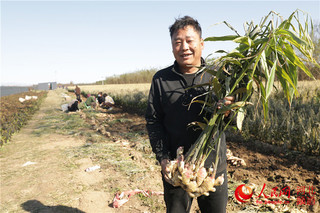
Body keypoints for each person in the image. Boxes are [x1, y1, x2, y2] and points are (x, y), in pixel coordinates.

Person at [145, 16, 234, 213]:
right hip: (176, 169)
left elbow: (232, 122)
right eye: (177, 42)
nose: (184, 47)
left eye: (189, 40)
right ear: (172, 47)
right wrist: (163, 158)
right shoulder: (161, 79)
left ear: (201, 44)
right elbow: (153, 121)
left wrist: (228, 112)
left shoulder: (219, 76)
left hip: (212, 169)